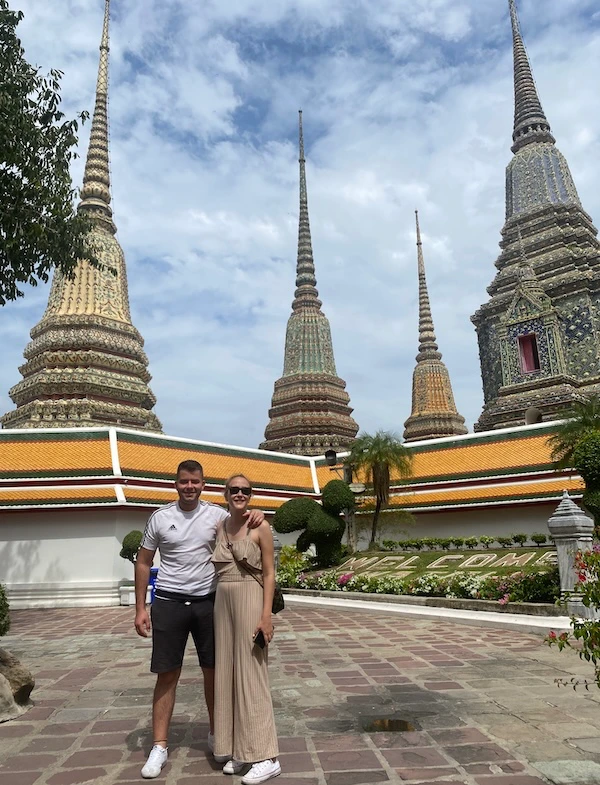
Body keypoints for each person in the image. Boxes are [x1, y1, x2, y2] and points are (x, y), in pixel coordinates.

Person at [134, 460, 265, 780]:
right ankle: (160, 745)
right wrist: (140, 607)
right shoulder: (161, 518)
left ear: (203, 484)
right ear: (176, 484)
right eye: (184, 482)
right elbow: (143, 561)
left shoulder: (216, 516)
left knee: (215, 673)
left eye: (195, 482)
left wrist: (258, 514)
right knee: (167, 674)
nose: (189, 487)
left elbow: (242, 519)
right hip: (169, 601)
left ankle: (217, 734)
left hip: (209, 602)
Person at [211, 474, 280, 784]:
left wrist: (266, 616)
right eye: (234, 489)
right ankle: (240, 749)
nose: (239, 494)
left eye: (245, 490)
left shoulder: (259, 526)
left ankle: (266, 756)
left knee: (252, 676)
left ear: (251, 494)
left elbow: (268, 573)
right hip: (222, 604)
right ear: (225, 493)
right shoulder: (220, 526)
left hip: (251, 600)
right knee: (227, 675)